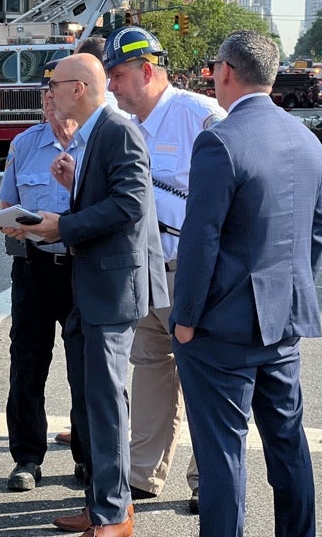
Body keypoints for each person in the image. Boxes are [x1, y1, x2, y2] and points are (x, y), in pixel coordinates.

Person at [170, 30, 322, 537]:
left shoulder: (219, 140)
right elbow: (315, 232)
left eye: (215, 67)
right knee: (287, 444)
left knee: (223, 457)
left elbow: (201, 239)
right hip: (283, 320)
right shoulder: (306, 139)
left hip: (222, 328)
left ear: (227, 72)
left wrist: (186, 320)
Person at [8, 53, 168, 537]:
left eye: (54, 84)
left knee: (105, 403)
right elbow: (113, 196)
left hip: (110, 287)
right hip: (94, 283)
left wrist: (65, 224)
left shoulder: (115, 129)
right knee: (98, 403)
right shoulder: (97, 133)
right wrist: (73, 187)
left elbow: (132, 202)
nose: (48, 93)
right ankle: (104, 504)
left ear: (78, 88)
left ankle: (114, 514)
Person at [103, 25, 226, 512]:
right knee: (151, 369)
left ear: (146, 71)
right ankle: (142, 474)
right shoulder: (119, 122)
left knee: (202, 376)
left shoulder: (202, 117)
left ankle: (209, 480)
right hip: (141, 270)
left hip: (192, 273)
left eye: (116, 74)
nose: (110, 85)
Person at [0, 59, 81, 492]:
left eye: (57, 93)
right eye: (45, 96)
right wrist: (12, 224)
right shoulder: (24, 144)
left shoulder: (97, 143)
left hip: (83, 271)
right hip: (32, 268)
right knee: (27, 365)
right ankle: (27, 457)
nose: (51, 102)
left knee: (86, 368)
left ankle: (87, 454)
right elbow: (7, 202)